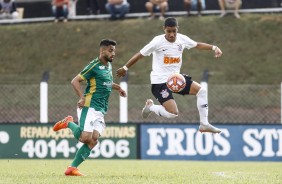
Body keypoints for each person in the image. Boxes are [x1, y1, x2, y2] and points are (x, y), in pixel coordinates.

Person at [116, 17, 222, 134]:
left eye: (174, 31)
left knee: (202, 91)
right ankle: (151, 107)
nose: (172, 34)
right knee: (172, 114)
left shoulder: (182, 39)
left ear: (178, 29)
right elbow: (140, 54)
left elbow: (197, 45)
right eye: (169, 31)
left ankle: (204, 124)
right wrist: (125, 68)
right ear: (164, 29)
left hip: (176, 79)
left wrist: (214, 47)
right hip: (160, 82)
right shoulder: (157, 42)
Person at [53, 39, 127, 176]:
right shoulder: (94, 66)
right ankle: (68, 123)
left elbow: (106, 83)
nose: (113, 53)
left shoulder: (108, 66)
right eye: (111, 50)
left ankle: (71, 168)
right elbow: (75, 81)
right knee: (84, 138)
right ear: (102, 51)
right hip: (89, 106)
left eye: (114, 51)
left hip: (100, 109)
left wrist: (118, 88)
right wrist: (82, 97)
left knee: (93, 140)